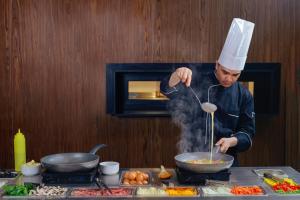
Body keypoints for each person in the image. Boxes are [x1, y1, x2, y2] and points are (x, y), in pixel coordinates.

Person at [160, 18, 255, 166]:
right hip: (192, 158)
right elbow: (167, 90)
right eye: (225, 72)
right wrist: (177, 74)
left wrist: (232, 140)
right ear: (217, 64)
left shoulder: (244, 95)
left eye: (235, 75)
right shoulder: (197, 81)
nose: (229, 79)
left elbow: (247, 132)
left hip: (226, 161)